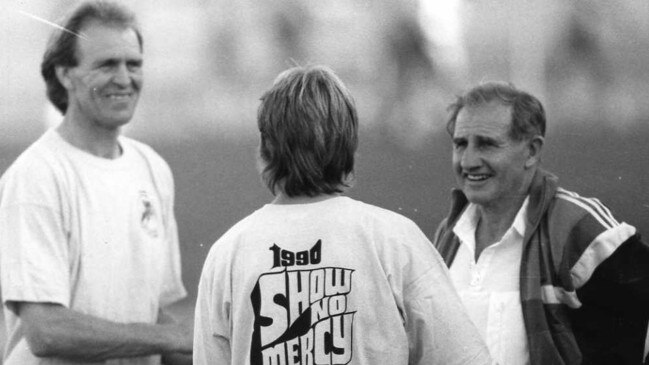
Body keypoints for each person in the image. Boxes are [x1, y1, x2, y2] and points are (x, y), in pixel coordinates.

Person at [193, 65, 492, 365]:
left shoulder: (228, 254)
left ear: (266, 148)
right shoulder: (394, 240)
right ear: (348, 145)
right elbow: (465, 358)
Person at [0, 1, 192, 364]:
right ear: (64, 74)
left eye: (133, 64)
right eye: (107, 64)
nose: (124, 78)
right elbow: (46, 331)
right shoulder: (37, 177)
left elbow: (150, 317)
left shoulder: (152, 168)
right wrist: (171, 337)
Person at [433, 81, 649, 365]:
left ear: (532, 151)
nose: (469, 161)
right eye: (461, 144)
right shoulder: (447, 235)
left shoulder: (579, 227)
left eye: (487, 144)